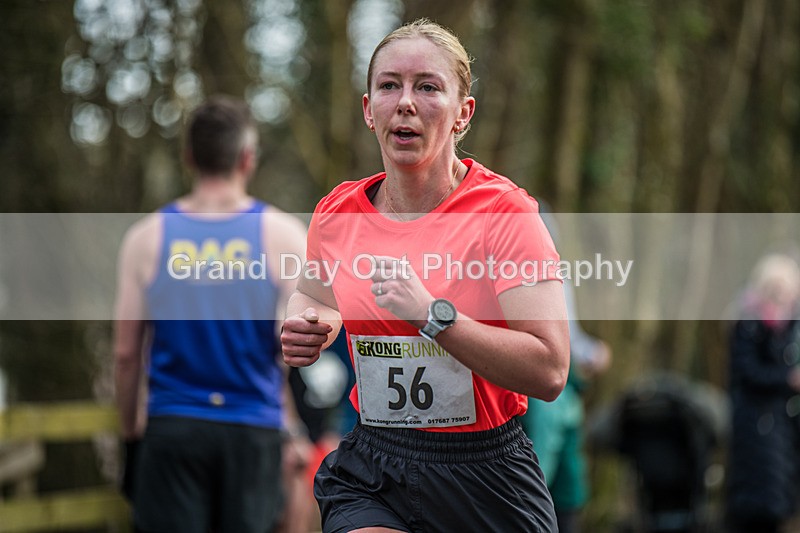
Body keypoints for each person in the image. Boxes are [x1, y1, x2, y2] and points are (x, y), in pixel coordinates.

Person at [280, 18, 570, 533]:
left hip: (484, 472)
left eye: (428, 87)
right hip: (374, 463)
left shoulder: (505, 214)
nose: (406, 101)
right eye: (389, 85)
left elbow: (550, 370)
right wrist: (309, 323)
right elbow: (313, 294)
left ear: (463, 114)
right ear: (370, 110)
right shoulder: (339, 212)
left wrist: (433, 317)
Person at [113, 95, 308, 532]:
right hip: (252, 430)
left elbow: (126, 354)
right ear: (247, 158)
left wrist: (131, 435)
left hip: (173, 427)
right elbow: (290, 347)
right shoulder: (283, 235)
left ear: (189, 158)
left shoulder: (146, 238)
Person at [521, 206, 611, 533]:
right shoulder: (511, 278)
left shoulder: (559, 277)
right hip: (536, 394)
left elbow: (570, 335)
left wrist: (592, 352)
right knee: (535, 481)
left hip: (568, 391)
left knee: (569, 485)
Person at [726, 253, 800, 533]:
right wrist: (788, 379)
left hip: (780, 426)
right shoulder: (749, 323)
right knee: (757, 502)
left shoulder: (788, 328)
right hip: (754, 424)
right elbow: (747, 371)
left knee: (776, 501)